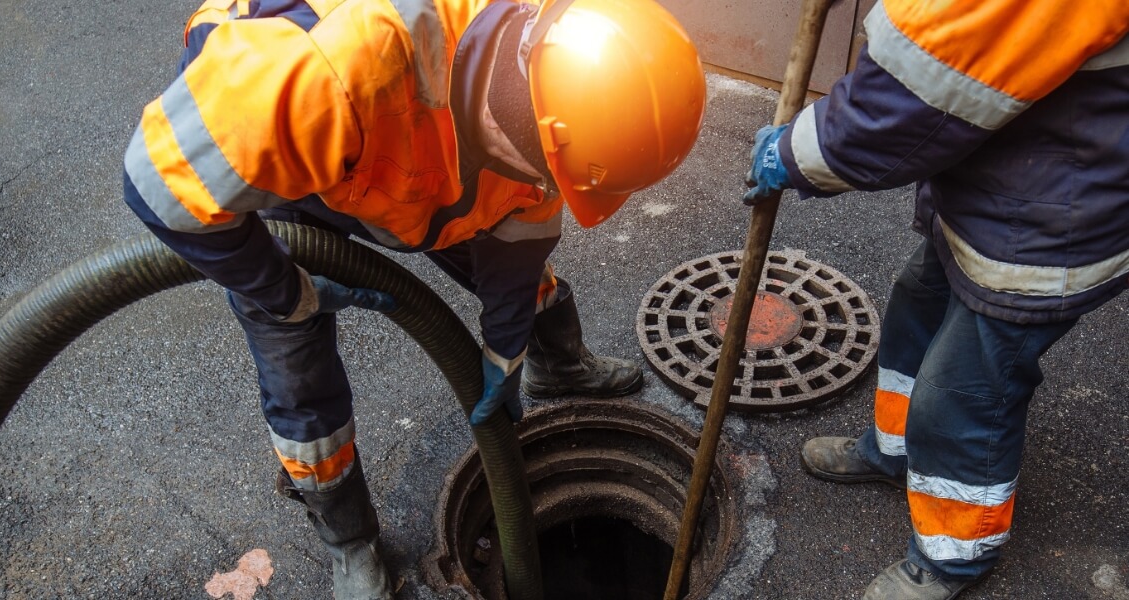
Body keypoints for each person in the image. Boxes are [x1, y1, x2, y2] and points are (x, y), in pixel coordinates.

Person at [121, 0, 705, 596]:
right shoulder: (326, 73)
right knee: (296, 365)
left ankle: (558, 366)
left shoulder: (560, 95)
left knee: (508, 248)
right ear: (524, 120)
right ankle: (350, 541)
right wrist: (285, 290)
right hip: (306, 155)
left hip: (413, 172)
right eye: (549, 175)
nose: (548, 190)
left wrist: (504, 356)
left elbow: (520, 239)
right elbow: (155, 185)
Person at [744, 1, 1129, 598]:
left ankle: (955, 552)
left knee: (965, 391)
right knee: (916, 307)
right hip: (1003, 177)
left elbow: (915, 92)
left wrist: (797, 153)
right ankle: (895, 450)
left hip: (1056, 216)